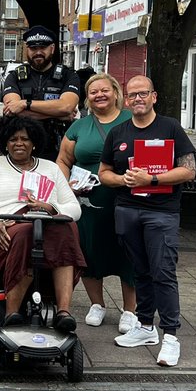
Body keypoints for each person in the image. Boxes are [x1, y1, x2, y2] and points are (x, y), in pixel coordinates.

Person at [98, 75, 196, 368]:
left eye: (143, 94)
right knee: (139, 270)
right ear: (125, 100)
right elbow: (104, 171)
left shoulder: (171, 128)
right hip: (127, 209)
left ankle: (171, 336)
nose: (137, 99)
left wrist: (151, 178)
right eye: (132, 95)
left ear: (154, 96)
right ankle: (145, 326)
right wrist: (122, 179)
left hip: (161, 212)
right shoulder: (118, 132)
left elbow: (188, 170)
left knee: (163, 272)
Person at [0, 114, 84, 332]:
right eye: (13, 139)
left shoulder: (50, 168)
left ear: (34, 143)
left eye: (25, 139)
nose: (19, 143)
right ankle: (12, 312)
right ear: (5, 143)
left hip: (47, 228)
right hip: (3, 231)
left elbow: (74, 208)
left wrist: (49, 207)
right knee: (28, 232)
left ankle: (64, 312)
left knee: (67, 228)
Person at [56, 73, 138, 332]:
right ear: (87, 98)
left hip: (127, 198)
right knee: (90, 250)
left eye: (104, 90)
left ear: (115, 92)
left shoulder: (132, 120)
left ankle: (130, 311)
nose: (99, 95)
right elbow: (63, 160)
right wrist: (65, 185)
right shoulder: (79, 127)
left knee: (128, 253)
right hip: (88, 202)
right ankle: (97, 304)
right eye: (93, 92)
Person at [0, 25, 81, 161]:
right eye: (33, 48)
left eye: (42, 48)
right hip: (22, 149)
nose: (38, 52)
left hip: (57, 149)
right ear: (27, 49)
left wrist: (25, 104)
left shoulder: (68, 75)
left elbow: (66, 107)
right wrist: (57, 113)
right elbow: (13, 110)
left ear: (52, 48)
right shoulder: (14, 76)